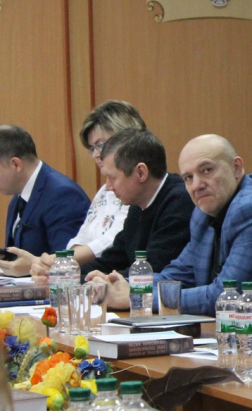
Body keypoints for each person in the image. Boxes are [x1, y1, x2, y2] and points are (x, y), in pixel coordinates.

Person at [87, 135, 252, 320]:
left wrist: (137, 297)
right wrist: (122, 285)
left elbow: (224, 296)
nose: (197, 185)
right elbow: (178, 274)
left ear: (236, 168)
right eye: (188, 177)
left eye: (207, 170)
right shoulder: (204, 213)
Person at [24, 101, 145, 282]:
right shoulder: (104, 191)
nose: (96, 154)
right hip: (92, 276)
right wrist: (58, 266)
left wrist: (59, 261)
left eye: (101, 145)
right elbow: (81, 237)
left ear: (126, 137)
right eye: (92, 148)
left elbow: (113, 240)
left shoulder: (136, 188)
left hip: (117, 278)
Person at [79, 128, 193, 280]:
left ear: (141, 173)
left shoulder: (180, 203)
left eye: (112, 177)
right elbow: (111, 260)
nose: (108, 187)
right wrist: (67, 276)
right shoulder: (137, 206)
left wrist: (104, 280)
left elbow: (152, 271)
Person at [0, 125, 90, 276]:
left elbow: (67, 264)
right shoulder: (17, 197)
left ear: (16, 164)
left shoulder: (63, 195)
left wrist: (32, 266)